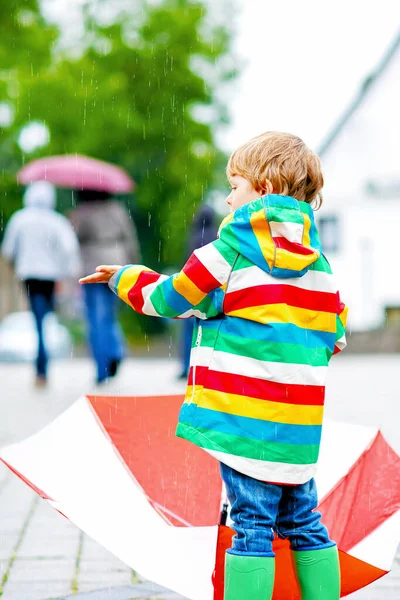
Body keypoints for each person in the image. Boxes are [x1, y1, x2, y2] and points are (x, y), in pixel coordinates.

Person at [80, 132, 347, 599]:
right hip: (298, 427)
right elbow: (335, 334)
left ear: (262, 188)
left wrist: (124, 277)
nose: (228, 197)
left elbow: (172, 298)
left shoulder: (228, 251)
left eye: (235, 185)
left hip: (243, 423)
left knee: (252, 527)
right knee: (304, 522)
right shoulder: (320, 263)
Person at [2, 181, 80, 387]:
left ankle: (41, 367)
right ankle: (42, 364)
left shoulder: (19, 219)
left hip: (29, 276)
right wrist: (65, 273)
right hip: (50, 278)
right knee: (43, 318)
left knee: (38, 320)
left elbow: (8, 250)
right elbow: (69, 249)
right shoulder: (57, 221)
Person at [70, 190, 140, 384]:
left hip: (91, 266)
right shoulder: (117, 210)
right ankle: (115, 350)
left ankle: (103, 366)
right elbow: (130, 239)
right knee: (109, 315)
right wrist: (134, 267)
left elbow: (73, 239)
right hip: (116, 265)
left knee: (95, 318)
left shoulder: (82, 212)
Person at [178, 203, 218, 379]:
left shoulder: (194, 237)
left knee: (189, 331)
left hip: (194, 289)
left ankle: (185, 366)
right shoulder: (217, 236)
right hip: (213, 290)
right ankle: (207, 370)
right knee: (209, 331)